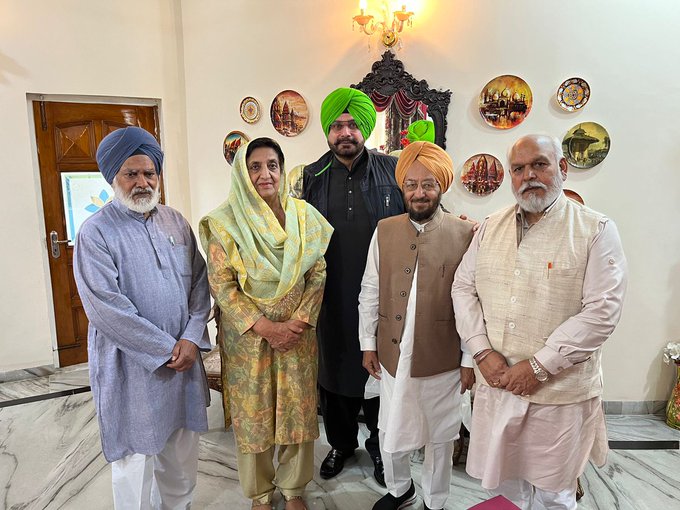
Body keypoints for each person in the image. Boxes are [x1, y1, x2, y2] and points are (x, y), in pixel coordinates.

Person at [452, 134, 628, 510]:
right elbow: (463, 288)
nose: (528, 175)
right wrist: (480, 351)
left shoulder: (595, 229)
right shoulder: (490, 227)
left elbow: (602, 311)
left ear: (562, 168)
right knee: (504, 487)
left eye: (539, 165)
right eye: (518, 169)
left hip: (559, 395)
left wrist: (538, 367)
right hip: (498, 384)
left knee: (554, 493)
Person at [73, 126, 212, 509]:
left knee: (181, 455)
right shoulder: (95, 232)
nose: (142, 182)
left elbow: (200, 283)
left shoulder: (176, 222)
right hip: (132, 369)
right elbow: (106, 308)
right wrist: (166, 349)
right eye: (130, 174)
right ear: (113, 177)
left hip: (183, 365)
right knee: (135, 461)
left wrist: (191, 337)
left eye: (149, 173)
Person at [200, 138, 333, 510]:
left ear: (282, 169)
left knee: (297, 409)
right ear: (243, 174)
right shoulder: (225, 223)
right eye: (254, 167)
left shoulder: (304, 216)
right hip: (249, 339)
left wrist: (300, 320)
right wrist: (266, 327)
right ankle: (259, 493)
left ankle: (293, 489)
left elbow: (318, 271)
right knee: (253, 413)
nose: (265, 174)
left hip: (297, 336)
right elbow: (222, 285)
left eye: (272, 165)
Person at [359, 141, 475, 510]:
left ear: (442, 185)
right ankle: (400, 491)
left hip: (443, 359)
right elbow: (370, 288)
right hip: (392, 355)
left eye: (428, 184)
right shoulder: (384, 230)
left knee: (440, 437)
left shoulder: (465, 233)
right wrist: (367, 343)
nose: (419, 192)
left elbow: (474, 303)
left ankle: (435, 502)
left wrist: (469, 360)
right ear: (402, 187)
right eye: (411, 184)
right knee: (390, 428)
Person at [302, 87, 405, 485]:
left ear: (364, 127)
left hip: (384, 297)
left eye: (352, 125)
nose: (345, 133)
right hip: (330, 297)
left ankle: (380, 447)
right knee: (333, 373)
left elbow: (422, 213)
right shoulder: (311, 176)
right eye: (336, 126)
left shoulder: (393, 169)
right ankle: (341, 444)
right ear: (327, 131)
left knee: (380, 373)